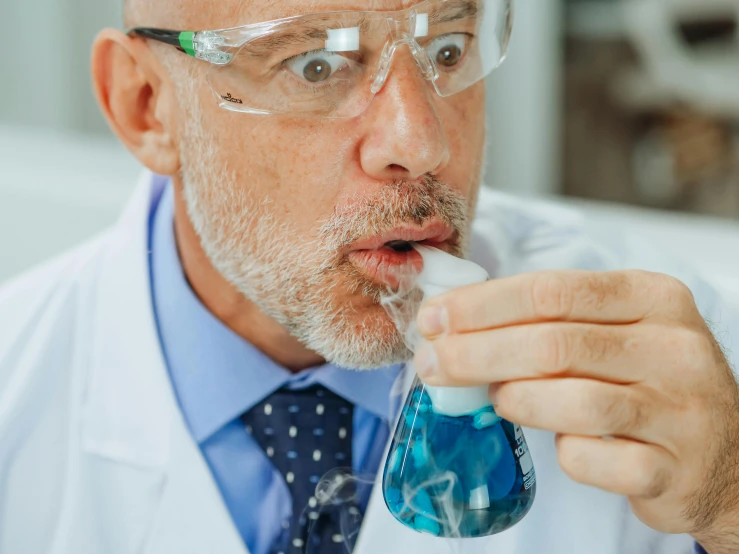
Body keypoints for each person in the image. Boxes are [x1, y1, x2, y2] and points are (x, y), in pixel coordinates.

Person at [0, 0, 737, 553]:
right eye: (314, 65)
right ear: (146, 106)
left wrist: (728, 500)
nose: (420, 142)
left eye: (448, 49)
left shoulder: (670, 352)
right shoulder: (17, 396)